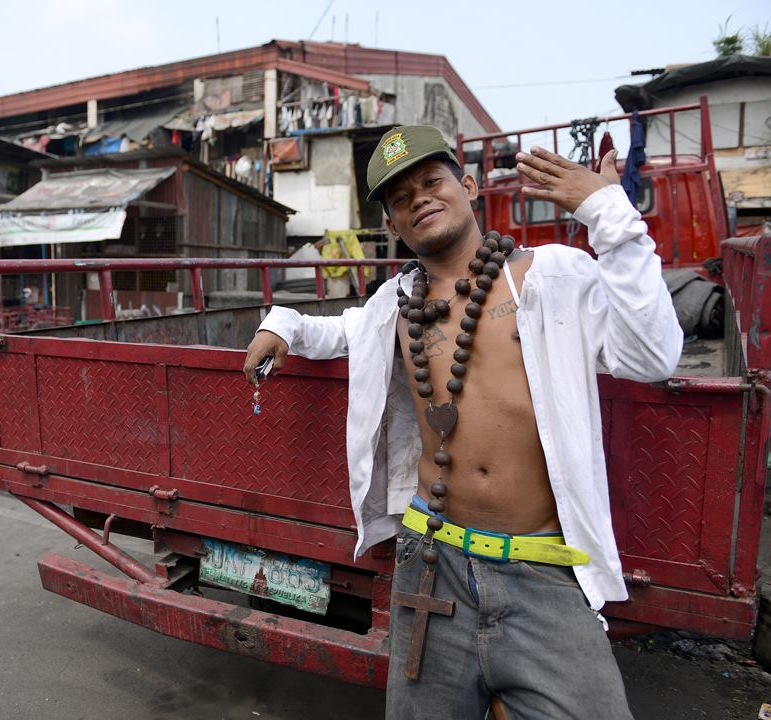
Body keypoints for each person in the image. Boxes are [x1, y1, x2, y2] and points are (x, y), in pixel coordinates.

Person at [242, 126, 682, 719]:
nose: (419, 198)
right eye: (401, 198)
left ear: (469, 186)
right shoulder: (397, 303)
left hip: (544, 569)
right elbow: (343, 330)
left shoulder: (553, 276)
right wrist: (283, 324)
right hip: (431, 560)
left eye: (432, 181)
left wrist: (608, 214)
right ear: (393, 226)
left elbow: (653, 355)